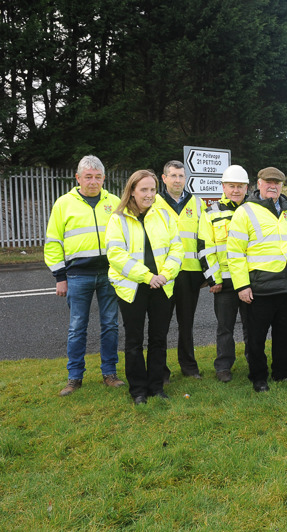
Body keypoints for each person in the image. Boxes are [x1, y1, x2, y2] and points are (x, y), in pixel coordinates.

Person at [45, 155, 124, 396]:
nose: (93, 182)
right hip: (78, 275)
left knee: (110, 325)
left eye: (98, 177)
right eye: (88, 177)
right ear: (78, 178)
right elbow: (53, 243)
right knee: (77, 327)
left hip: (110, 274)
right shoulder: (63, 204)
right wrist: (60, 276)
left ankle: (109, 373)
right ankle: (74, 377)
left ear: (104, 178)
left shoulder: (115, 202)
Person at [227, 167, 287, 392]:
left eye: (278, 182)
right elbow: (235, 253)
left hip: (286, 286)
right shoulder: (245, 212)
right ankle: (259, 378)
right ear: (259, 183)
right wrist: (242, 285)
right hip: (258, 287)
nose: (273, 185)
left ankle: (283, 373)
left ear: (282, 185)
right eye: (268, 181)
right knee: (256, 337)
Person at [106, 170, 182, 404]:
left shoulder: (164, 216)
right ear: (132, 191)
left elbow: (177, 249)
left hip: (162, 286)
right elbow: (116, 254)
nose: (149, 194)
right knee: (134, 340)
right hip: (133, 288)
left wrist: (165, 275)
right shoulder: (118, 219)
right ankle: (138, 390)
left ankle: (156, 387)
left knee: (159, 339)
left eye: (152, 189)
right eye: (144, 190)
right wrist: (147, 276)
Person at [198, 165, 251, 382]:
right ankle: (223, 366)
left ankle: (254, 362)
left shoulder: (253, 210)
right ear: (223, 187)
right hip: (224, 282)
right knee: (224, 328)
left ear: (247, 188)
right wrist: (213, 279)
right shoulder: (211, 213)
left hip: (249, 281)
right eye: (232, 186)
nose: (236, 190)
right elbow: (205, 248)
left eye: (240, 186)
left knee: (252, 327)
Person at [156, 160, 205, 382]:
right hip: (164, 273)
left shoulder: (197, 203)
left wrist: (206, 272)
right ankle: (161, 370)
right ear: (164, 178)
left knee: (187, 323)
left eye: (181, 176)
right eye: (173, 176)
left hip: (189, 273)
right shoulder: (154, 203)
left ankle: (189, 367)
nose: (177, 180)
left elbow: (204, 240)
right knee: (161, 325)